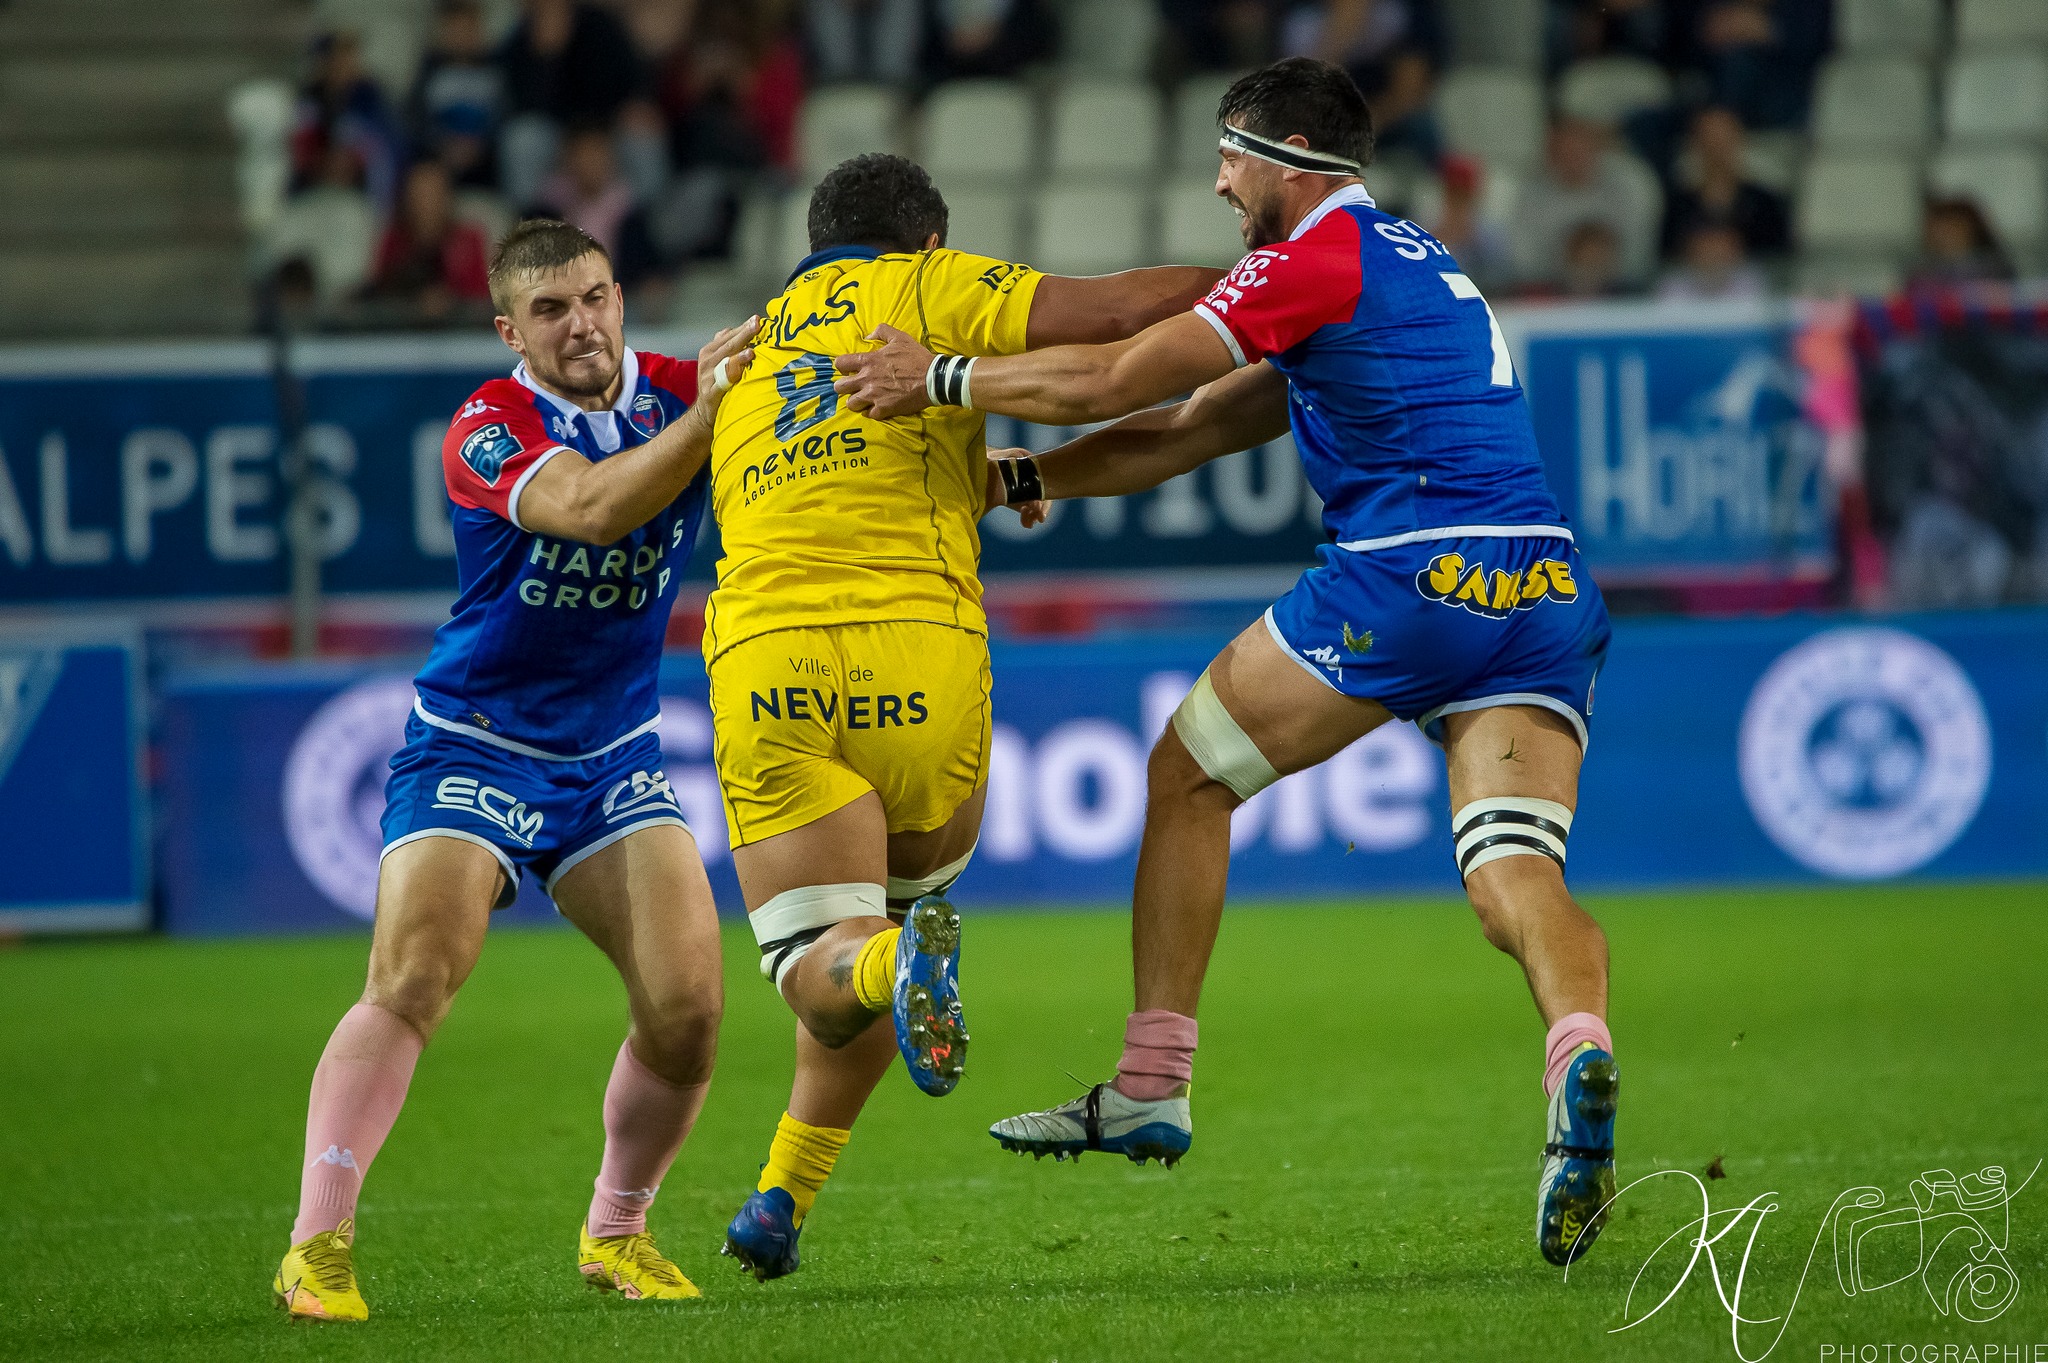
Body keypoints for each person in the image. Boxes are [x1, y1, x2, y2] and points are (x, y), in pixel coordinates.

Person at [833, 57, 1622, 1269]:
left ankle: (1150, 1084)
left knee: (1187, 771)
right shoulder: (1410, 261)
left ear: (1290, 159)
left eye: (1229, 154)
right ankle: (1579, 1051)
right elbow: (1192, 428)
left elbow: (1110, 377)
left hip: (1411, 572)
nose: (1217, 182)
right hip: (1544, 590)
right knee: (1511, 871)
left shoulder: (1310, 257)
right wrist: (1017, 477)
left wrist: (934, 376)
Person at [704, 153, 1223, 1282]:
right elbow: (1122, 312)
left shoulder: (737, 357)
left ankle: (892, 972)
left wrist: (1005, 475)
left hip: (773, 655)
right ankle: (782, 1196)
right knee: (875, 937)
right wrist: (1276, 280)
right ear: (928, 241)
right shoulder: (925, 291)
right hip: (923, 656)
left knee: (829, 966)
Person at [271, 218, 758, 1321]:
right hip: (473, 738)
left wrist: (995, 469)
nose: (579, 323)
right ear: (510, 331)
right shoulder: (487, 426)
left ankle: (617, 1231)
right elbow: (589, 509)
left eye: (594, 297)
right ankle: (316, 1245)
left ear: (620, 297)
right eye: (550, 309)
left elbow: (832, 433)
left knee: (688, 1010)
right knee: (414, 976)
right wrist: (712, 415)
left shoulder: (684, 387)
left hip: (613, 753)